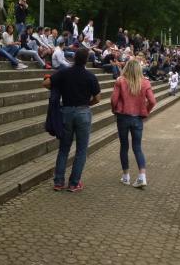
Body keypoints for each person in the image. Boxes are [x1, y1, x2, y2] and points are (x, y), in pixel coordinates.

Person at [43, 48, 101, 192]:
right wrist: (87, 104)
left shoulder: (64, 72)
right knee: (81, 150)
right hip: (83, 112)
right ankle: (74, 183)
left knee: (64, 148)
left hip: (66, 112)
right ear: (86, 60)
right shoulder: (90, 76)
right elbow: (98, 98)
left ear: (74, 58)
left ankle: (58, 182)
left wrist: (56, 89)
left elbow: (46, 84)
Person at [110, 59, 156, 188]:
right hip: (137, 118)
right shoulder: (145, 82)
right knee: (137, 147)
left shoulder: (120, 81)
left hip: (123, 117)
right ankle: (142, 177)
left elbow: (114, 99)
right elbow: (152, 101)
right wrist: (145, 111)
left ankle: (126, 176)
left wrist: (114, 110)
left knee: (124, 146)